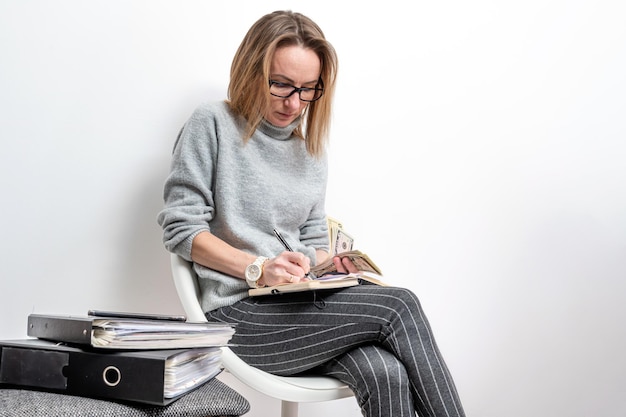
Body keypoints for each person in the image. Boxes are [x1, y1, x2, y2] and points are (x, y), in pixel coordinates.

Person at [157, 10, 466, 417]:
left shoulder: (310, 152)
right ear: (252, 71)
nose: (294, 102)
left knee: (383, 371)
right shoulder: (212, 123)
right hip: (239, 316)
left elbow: (313, 243)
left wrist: (328, 265)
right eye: (281, 85)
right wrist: (258, 268)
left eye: (307, 90)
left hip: (299, 310)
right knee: (399, 305)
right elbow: (181, 229)